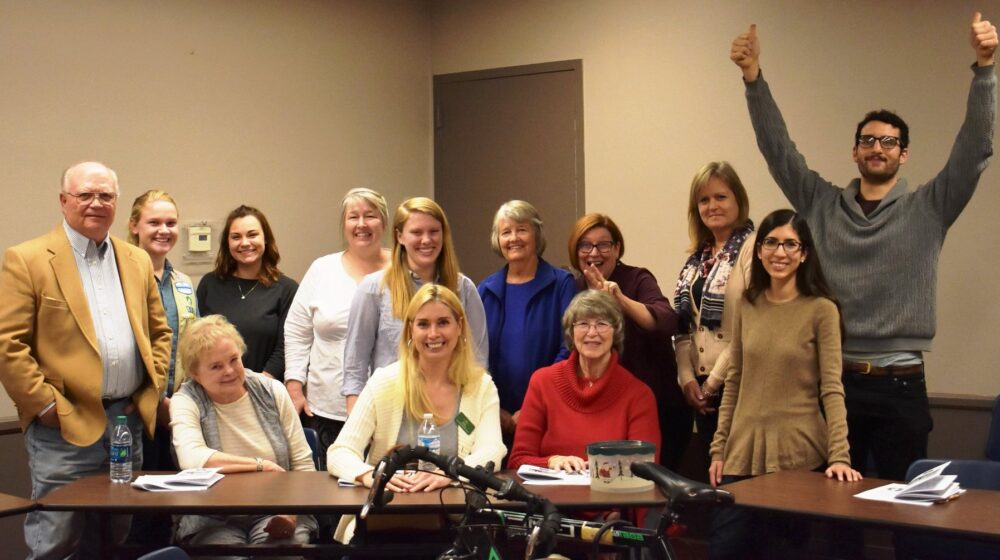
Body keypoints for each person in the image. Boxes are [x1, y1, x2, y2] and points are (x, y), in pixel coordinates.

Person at [729, 14, 997, 481]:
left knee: (902, 510)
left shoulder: (929, 208)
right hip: (835, 383)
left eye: (889, 142)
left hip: (902, 387)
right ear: (855, 151)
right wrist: (753, 79)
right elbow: (780, 152)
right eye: (868, 140)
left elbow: (973, 151)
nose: (878, 147)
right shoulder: (821, 204)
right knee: (834, 513)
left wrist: (986, 68)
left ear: (903, 154)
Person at [0, 161, 171, 559]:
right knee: (57, 540)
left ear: (117, 203)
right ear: (63, 201)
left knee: (116, 536)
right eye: (85, 195)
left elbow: (160, 335)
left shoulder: (136, 260)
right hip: (62, 428)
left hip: (125, 423)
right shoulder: (27, 259)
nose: (96, 203)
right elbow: (8, 343)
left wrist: (149, 390)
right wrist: (45, 407)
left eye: (106, 196)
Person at [708, 210, 861, 560]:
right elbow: (734, 380)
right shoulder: (748, 303)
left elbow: (832, 389)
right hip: (741, 452)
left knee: (783, 551)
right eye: (772, 242)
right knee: (725, 549)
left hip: (797, 452)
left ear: (804, 253)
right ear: (759, 251)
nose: (780, 252)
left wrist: (839, 456)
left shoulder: (823, 310)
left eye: (791, 244)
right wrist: (719, 449)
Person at [329, 283, 504, 543]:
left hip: (454, 524)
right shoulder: (384, 382)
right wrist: (371, 476)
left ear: (460, 327)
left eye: (443, 322)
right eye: (423, 324)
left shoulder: (481, 386)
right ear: (410, 330)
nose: (433, 334)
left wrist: (451, 474)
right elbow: (339, 452)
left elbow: (493, 451)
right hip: (384, 523)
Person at [171, 315, 317, 550]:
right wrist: (260, 465)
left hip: (276, 507)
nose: (229, 371)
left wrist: (290, 513)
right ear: (195, 374)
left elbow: (303, 465)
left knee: (280, 553)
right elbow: (192, 460)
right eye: (216, 366)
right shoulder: (186, 400)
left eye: (234, 360)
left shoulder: (272, 390)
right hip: (213, 515)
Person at [341, 197, 489, 415]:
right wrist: (357, 419)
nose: (426, 240)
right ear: (400, 236)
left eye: (434, 231)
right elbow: (356, 362)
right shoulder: (374, 288)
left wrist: (472, 416)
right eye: (417, 232)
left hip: (450, 412)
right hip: (391, 412)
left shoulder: (463, 289)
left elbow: (477, 360)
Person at [567, 214, 687, 471]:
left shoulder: (636, 278)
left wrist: (619, 299)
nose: (594, 253)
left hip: (658, 406)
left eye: (604, 245)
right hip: (603, 411)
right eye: (585, 245)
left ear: (617, 248)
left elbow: (667, 322)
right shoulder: (573, 288)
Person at [284, 188, 391, 469]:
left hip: (392, 406)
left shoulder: (403, 270)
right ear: (344, 225)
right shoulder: (322, 269)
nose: (361, 224)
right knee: (335, 491)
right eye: (353, 217)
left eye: (370, 216)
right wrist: (294, 387)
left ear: (384, 223)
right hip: (330, 408)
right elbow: (297, 331)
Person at [508, 289, 660, 472]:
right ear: (571, 332)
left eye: (602, 324)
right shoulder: (542, 382)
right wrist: (552, 461)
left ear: (616, 332)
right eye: (583, 324)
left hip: (611, 499)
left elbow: (646, 470)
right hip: (548, 498)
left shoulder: (639, 395)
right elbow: (517, 460)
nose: (592, 332)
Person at [126, 189, 200, 546]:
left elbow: (191, 350)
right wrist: (153, 399)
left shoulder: (183, 284)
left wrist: (180, 402)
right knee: (134, 509)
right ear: (134, 226)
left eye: (171, 223)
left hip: (177, 410)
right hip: (132, 410)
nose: (164, 230)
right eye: (154, 222)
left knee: (171, 506)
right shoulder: (119, 279)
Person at [478, 200, 576, 439]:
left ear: (536, 234)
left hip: (548, 411)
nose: (514, 238)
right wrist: (492, 406)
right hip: (493, 417)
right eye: (506, 232)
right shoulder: (484, 291)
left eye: (522, 229)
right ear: (497, 240)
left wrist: (536, 403)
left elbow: (570, 347)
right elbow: (473, 355)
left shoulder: (561, 284)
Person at [673, 163, 754, 449]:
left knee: (736, 482)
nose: (712, 206)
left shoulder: (754, 251)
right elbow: (684, 327)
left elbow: (749, 329)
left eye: (721, 197)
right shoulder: (697, 259)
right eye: (704, 200)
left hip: (738, 387)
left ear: (738, 200)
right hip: (701, 390)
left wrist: (712, 384)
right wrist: (686, 379)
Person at [197, 205, 298, 382]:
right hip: (215, 391)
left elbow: (286, 347)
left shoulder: (286, 289)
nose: (245, 243)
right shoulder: (209, 284)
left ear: (265, 239)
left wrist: (257, 387)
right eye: (236, 237)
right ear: (227, 244)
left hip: (265, 390)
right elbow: (198, 343)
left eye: (252, 235)